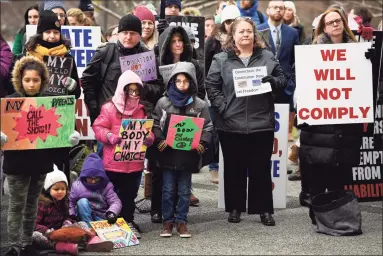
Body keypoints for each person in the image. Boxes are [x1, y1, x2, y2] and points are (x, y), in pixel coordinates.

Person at [206, 18, 287, 226]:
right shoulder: (221, 59)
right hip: (230, 124)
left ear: (255, 35)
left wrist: (274, 82)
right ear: (233, 35)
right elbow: (211, 86)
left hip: (261, 123)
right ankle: (235, 208)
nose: (245, 35)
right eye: (241, 32)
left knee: (261, 168)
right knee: (234, 168)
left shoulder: (267, 57)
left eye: (249, 32)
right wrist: (223, 108)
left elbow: (283, 80)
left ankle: (264, 210)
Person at [2, 56, 80, 256]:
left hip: (40, 163)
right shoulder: (10, 102)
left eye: (35, 80)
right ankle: (13, 245)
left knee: (32, 205)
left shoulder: (49, 103)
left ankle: (27, 243)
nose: (31, 84)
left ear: (42, 81)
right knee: (16, 207)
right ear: (20, 80)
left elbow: (59, 128)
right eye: (27, 80)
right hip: (16, 164)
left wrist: (68, 137)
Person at [301, 8, 363, 225]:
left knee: (341, 172)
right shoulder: (312, 51)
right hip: (320, 125)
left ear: (344, 23)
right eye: (330, 22)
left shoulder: (358, 51)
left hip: (345, 124)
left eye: (338, 21)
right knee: (318, 170)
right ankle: (317, 214)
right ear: (323, 27)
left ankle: (337, 214)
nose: (335, 25)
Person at [150, 25, 206, 222]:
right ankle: (158, 209)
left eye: (180, 41)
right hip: (165, 115)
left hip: (187, 119)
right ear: (167, 44)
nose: (177, 44)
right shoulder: (158, 63)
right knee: (160, 168)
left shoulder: (194, 64)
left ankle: (179, 213)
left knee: (182, 167)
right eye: (173, 41)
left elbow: (200, 90)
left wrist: (192, 111)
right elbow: (152, 89)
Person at [152, 61, 213, 238]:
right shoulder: (163, 103)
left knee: (185, 190)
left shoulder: (199, 105)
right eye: (178, 81)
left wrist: (203, 142)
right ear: (172, 82)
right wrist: (159, 139)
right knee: (168, 189)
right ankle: (167, 222)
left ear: (192, 83)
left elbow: (208, 126)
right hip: (168, 155)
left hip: (188, 156)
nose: (182, 85)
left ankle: (182, 222)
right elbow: (155, 123)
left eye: (185, 81)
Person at [92, 70, 154, 239]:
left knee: (130, 195)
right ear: (122, 89)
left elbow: (147, 130)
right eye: (130, 91)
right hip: (113, 162)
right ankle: (113, 223)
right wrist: (110, 137)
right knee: (112, 195)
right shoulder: (109, 108)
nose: (134, 95)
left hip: (134, 162)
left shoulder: (142, 109)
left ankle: (128, 220)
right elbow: (98, 128)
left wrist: (149, 138)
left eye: (137, 91)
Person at [81, 14, 166, 125]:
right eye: (125, 33)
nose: (128, 37)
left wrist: (141, 87)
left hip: (137, 121)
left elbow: (159, 88)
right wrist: (94, 110)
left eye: (133, 33)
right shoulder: (105, 52)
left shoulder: (148, 57)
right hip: (108, 119)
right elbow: (88, 81)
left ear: (139, 35)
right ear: (118, 34)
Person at [33, 168, 113, 255]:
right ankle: (62, 246)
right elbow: (34, 224)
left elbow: (69, 217)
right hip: (49, 234)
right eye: (56, 189)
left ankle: (91, 241)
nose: (60, 192)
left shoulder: (65, 201)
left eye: (63, 189)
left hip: (63, 231)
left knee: (82, 223)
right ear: (48, 190)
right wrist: (47, 230)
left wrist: (67, 223)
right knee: (35, 235)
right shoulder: (42, 204)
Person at [204, 5, 241, 184]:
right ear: (222, 23)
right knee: (215, 132)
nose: (231, 24)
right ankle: (214, 167)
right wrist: (210, 94)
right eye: (228, 21)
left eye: (234, 21)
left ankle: (231, 166)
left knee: (234, 132)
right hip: (216, 93)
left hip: (238, 94)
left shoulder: (244, 39)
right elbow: (206, 69)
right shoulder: (213, 41)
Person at [258, 1, 300, 142]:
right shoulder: (258, 30)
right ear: (268, 10)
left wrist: (292, 82)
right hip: (263, 85)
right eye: (275, 7)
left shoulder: (292, 33)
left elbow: (296, 60)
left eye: (281, 8)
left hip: (285, 87)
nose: (278, 10)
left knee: (281, 130)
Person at [24, 10, 81, 99]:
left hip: (60, 108)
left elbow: (77, 94)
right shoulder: (29, 55)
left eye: (56, 32)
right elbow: (18, 88)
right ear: (40, 34)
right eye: (48, 32)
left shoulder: (67, 58)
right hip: (34, 108)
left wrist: (72, 87)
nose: (52, 36)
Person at [69, 153, 122, 227]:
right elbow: (71, 202)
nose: (93, 181)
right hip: (83, 216)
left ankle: (94, 229)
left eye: (96, 178)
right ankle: (89, 228)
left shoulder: (106, 185)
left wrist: (112, 213)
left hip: (100, 216)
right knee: (82, 202)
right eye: (90, 178)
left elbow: (115, 201)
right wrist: (72, 215)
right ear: (85, 176)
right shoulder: (77, 186)